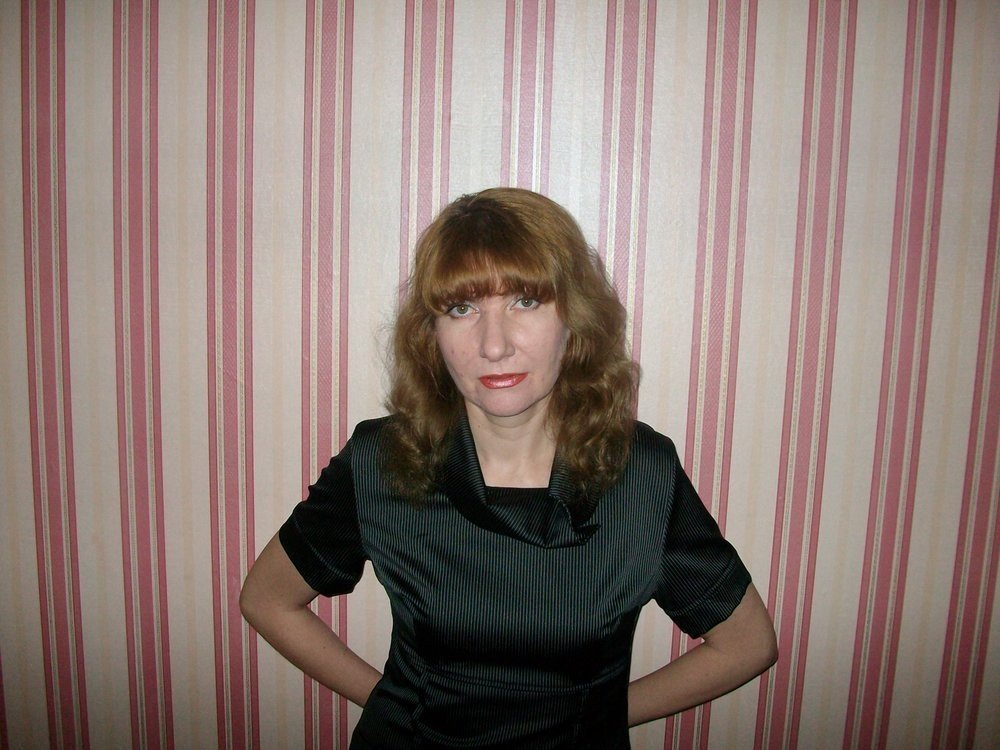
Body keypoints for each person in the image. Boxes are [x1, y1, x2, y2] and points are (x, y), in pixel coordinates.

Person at [240, 187, 777, 749]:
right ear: (431, 335)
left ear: (575, 320)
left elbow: (746, 645)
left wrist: (598, 715)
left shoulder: (641, 473)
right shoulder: (382, 461)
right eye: (462, 309)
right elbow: (267, 599)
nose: (493, 346)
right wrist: (393, 702)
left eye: (524, 301)